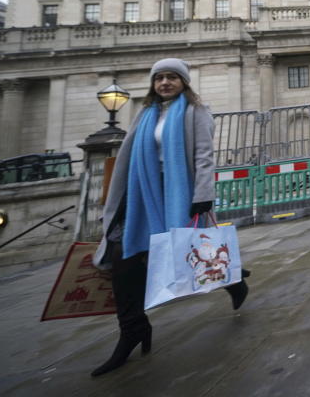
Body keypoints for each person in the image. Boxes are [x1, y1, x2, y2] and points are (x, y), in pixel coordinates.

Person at [90, 58, 250, 377]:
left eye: (172, 77)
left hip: (181, 191)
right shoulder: (145, 114)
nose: (164, 83)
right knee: (124, 257)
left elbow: (204, 155)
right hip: (141, 192)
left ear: (184, 82)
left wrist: (202, 195)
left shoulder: (195, 111)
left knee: (190, 256)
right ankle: (133, 329)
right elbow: (128, 156)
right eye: (159, 78)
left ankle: (233, 280)